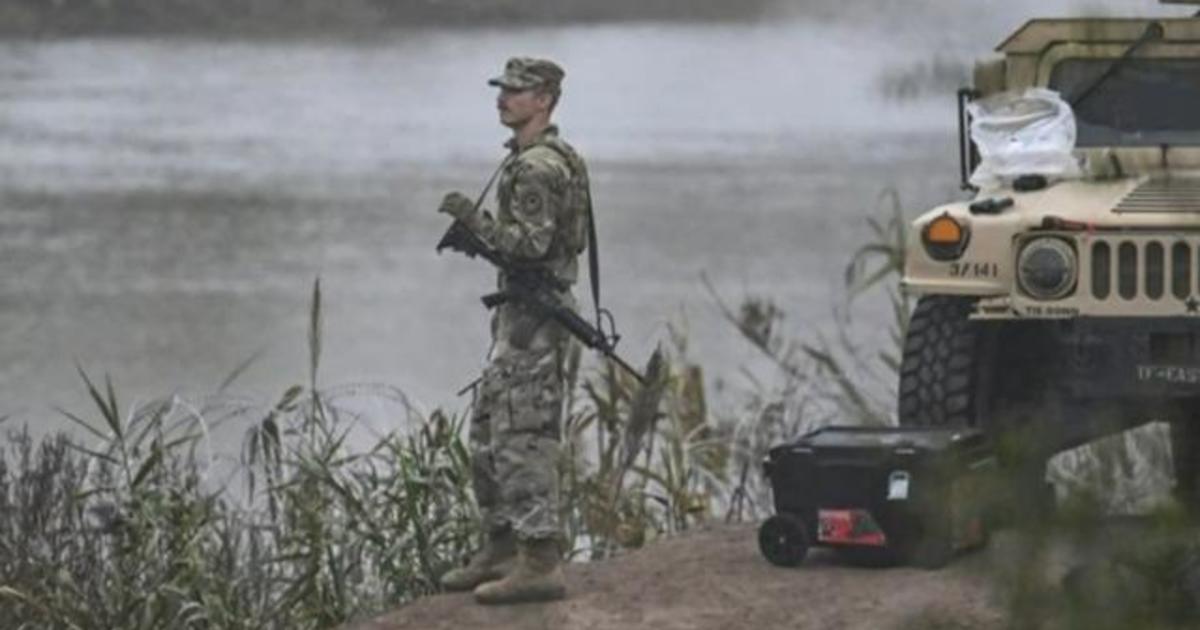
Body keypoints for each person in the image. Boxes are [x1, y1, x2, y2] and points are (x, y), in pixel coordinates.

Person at [436, 56, 591, 605]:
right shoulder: (531, 158)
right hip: (521, 314)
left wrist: (471, 221)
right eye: (502, 88)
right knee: (487, 432)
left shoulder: (538, 167)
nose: (503, 98)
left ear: (544, 99)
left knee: (523, 436)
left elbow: (531, 246)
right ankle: (500, 547)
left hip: (536, 319)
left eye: (516, 91)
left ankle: (539, 561)